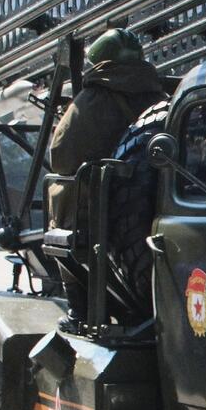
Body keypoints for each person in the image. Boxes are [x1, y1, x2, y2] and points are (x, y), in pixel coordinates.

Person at [47, 28, 169, 322]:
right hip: (160, 212)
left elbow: (61, 154)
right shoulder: (163, 99)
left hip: (99, 219)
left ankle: (79, 308)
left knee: (63, 191)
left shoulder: (89, 101)